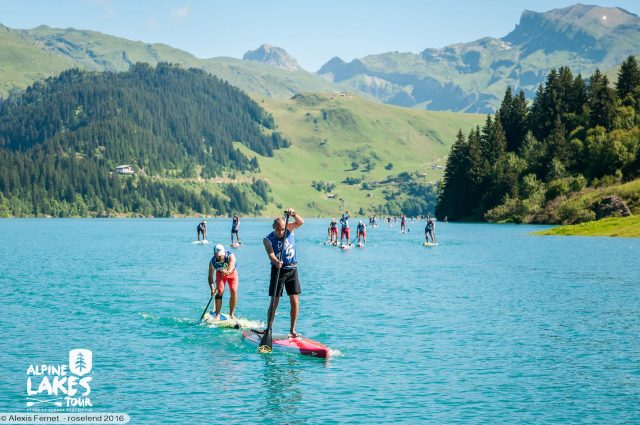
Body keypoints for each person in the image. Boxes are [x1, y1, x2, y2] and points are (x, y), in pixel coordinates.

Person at [263, 208, 304, 338]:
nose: (281, 232)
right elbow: (270, 254)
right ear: (273, 227)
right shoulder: (267, 239)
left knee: (294, 300)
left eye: (282, 229)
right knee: (274, 302)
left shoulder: (289, 229)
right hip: (278, 270)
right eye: (278, 229)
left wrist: (293, 214)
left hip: (292, 269)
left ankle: (292, 330)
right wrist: (276, 261)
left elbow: (300, 222)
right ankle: (268, 328)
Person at [208, 244, 238, 320]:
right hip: (220, 274)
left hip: (232, 273)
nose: (221, 257)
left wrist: (227, 271)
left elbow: (230, 268)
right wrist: (212, 288)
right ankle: (217, 314)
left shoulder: (230, 256)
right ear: (214, 254)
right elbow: (210, 277)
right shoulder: (212, 262)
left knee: (233, 290)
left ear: (224, 252)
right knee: (220, 291)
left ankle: (232, 314)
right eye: (218, 256)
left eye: (222, 255)